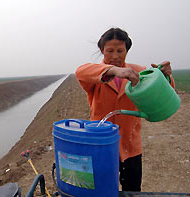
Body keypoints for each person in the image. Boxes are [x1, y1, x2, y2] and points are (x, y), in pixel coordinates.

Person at [75, 27, 175, 191]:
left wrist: (166, 76)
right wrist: (114, 70)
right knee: (103, 189)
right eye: (110, 51)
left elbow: (164, 89)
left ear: (127, 50)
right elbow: (80, 71)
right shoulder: (97, 74)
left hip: (131, 144)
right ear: (102, 50)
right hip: (102, 144)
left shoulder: (137, 72)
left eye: (120, 50)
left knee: (132, 190)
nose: (115, 56)